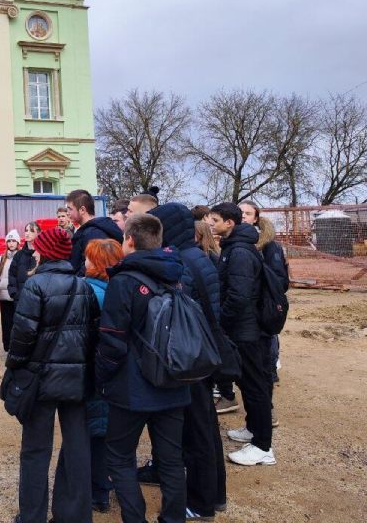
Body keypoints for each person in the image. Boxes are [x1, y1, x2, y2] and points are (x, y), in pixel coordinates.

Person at [96, 213, 190, 523]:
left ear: (131, 241)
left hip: (132, 387)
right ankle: (173, 519)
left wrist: (102, 376)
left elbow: (112, 340)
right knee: (173, 460)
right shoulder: (178, 275)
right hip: (175, 379)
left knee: (120, 458)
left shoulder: (123, 281)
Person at [8, 227, 100, 523]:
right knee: (77, 449)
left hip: (41, 379)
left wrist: (15, 369)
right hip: (77, 380)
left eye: (38, 247)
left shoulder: (35, 286)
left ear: (46, 252)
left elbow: (22, 337)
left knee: (35, 450)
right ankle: (74, 515)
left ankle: (32, 516)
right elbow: (93, 336)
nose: (33, 250)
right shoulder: (83, 286)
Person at [150, 203, 228, 519]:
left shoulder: (181, 263)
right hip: (205, 352)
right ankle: (215, 495)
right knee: (207, 428)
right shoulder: (199, 256)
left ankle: (200, 502)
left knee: (196, 432)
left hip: (192, 356)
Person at [208, 202, 275, 466]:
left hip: (246, 330)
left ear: (229, 223)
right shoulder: (233, 248)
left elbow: (238, 295)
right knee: (248, 383)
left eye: (215, 220)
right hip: (242, 327)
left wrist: (222, 323)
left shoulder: (239, 253)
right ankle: (253, 429)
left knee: (255, 386)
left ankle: (263, 446)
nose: (211, 224)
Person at [84, 238, 124, 514]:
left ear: (97, 263)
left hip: (94, 372)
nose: (83, 262)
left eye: (88, 258)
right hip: (117, 375)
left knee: (95, 432)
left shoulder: (89, 293)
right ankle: (111, 483)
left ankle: (98, 492)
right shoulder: (121, 290)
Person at [240, 201, 289, 420]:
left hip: (263, 313)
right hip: (246, 315)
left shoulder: (270, 246)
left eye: (248, 213)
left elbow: (280, 281)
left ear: (256, 219)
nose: (243, 217)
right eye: (240, 213)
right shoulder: (234, 244)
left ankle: (265, 416)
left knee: (263, 364)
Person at [65, 189, 123, 276]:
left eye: (70, 209)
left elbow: (94, 266)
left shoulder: (93, 233)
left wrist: (77, 281)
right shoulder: (88, 230)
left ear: (82, 210)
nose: (68, 213)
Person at [0, 229, 21, 352]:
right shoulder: (1, 259)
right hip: (4, 295)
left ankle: (17, 347)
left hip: (18, 296)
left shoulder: (21, 258)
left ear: (18, 243)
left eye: (14, 241)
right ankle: (8, 347)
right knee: (6, 322)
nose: (11, 243)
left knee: (18, 322)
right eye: (9, 241)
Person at [8, 222, 41, 301]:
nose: (27, 233)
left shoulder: (42, 255)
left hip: (37, 299)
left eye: (32, 231)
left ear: (38, 233)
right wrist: (14, 294)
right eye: (26, 230)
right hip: (20, 299)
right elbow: (12, 274)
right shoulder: (18, 255)